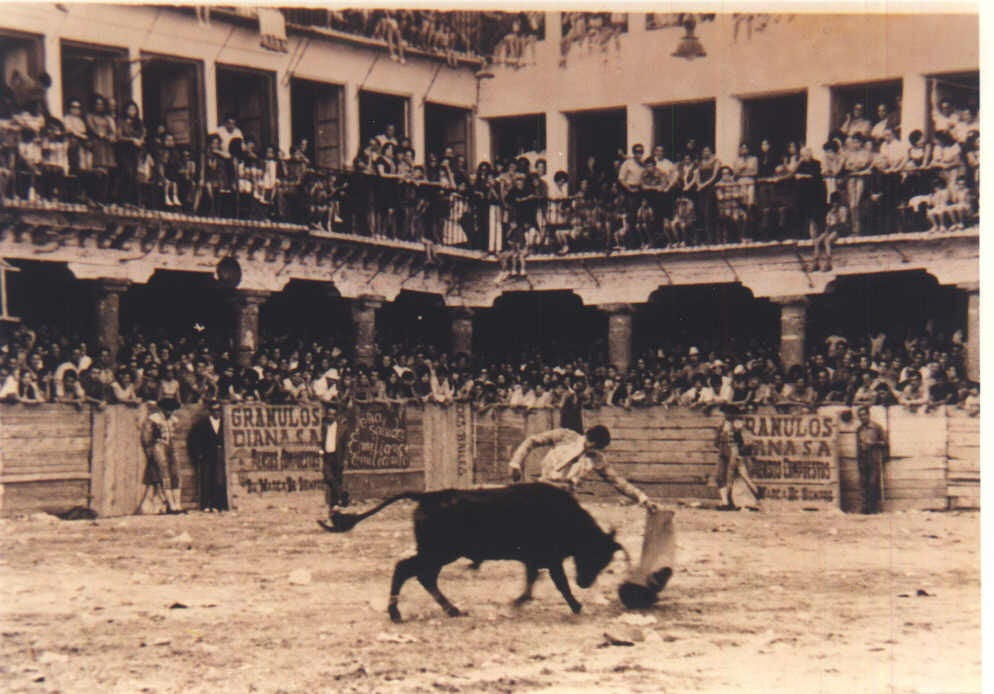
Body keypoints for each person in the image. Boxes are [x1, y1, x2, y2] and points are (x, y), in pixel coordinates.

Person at [508, 424, 660, 511]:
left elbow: (618, 482)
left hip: (565, 499)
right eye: (589, 444)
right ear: (586, 436)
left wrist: (642, 498)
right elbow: (532, 440)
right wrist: (516, 462)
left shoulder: (596, 458)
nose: (590, 449)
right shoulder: (564, 436)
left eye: (594, 448)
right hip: (543, 489)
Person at [139, 397, 183, 514]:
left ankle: (177, 504)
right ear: (162, 409)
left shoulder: (173, 419)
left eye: (172, 410)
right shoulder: (153, 419)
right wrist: (150, 453)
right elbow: (146, 438)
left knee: (175, 473)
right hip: (158, 446)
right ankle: (171, 505)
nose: (170, 412)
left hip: (171, 446)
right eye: (168, 410)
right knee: (164, 475)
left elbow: (174, 435)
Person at [713, 408, 760, 510]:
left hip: (733, 451)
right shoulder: (722, 425)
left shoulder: (737, 424)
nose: (726, 415)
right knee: (720, 476)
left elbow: (745, 442)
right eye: (725, 413)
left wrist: (739, 452)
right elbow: (716, 441)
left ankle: (731, 502)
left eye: (728, 413)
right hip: (723, 450)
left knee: (732, 477)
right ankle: (726, 502)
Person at [188, 399, 228, 512]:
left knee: (219, 480)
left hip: (220, 455)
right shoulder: (202, 424)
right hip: (206, 455)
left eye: (219, 410)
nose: (217, 413)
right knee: (206, 480)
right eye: (215, 410)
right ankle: (206, 505)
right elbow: (193, 439)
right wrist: (198, 454)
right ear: (210, 411)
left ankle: (218, 504)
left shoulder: (225, 423)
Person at [855, 405, 888, 514]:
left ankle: (873, 508)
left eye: (864, 415)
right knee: (863, 483)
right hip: (863, 458)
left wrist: (873, 443)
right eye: (860, 416)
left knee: (873, 483)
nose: (862, 417)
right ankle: (865, 508)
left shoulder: (877, 427)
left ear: (868, 415)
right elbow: (857, 446)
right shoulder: (859, 429)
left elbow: (885, 443)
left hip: (873, 457)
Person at [320, 401, 350, 516]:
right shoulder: (323, 426)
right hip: (327, 455)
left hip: (338, 456)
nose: (330, 416)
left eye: (333, 414)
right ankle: (342, 495)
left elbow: (345, 444)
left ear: (336, 415)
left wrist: (345, 459)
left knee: (336, 479)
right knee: (329, 477)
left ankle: (335, 504)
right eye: (329, 414)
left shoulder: (341, 428)